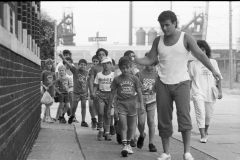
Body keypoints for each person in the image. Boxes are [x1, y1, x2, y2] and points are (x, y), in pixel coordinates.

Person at [132, 10, 222, 160]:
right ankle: (166, 152)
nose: (164, 28)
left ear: (175, 23)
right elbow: (150, 59)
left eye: (167, 25)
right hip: (162, 83)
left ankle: (187, 152)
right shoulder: (158, 41)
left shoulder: (186, 38)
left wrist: (213, 70)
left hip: (182, 83)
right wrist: (136, 60)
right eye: (162, 26)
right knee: (164, 119)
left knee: (184, 117)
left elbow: (200, 54)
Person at [108, 56, 145, 157]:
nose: (125, 70)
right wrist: (109, 107)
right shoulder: (117, 79)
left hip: (132, 104)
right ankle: (124, 146)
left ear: (131, 67)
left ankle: (128, 144)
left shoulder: (135, 79)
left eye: (127, 67)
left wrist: (141, 105)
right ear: (119, 68)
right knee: (123, 125)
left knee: (131, 127)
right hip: (122, 104)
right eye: (123, 68)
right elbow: (112, 94)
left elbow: (139, 92)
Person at [188, 40, 223, 143]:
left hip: (210, 92)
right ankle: (203, 135)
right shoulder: (192, 64)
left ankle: (205, 131)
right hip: (197, 92)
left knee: (208, 115)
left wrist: (220, 91)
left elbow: (219, 78)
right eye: (198, 50)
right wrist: (187, 94)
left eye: (202, 50)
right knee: (200, 113)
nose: (201, 52)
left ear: (206, 50)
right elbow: (189, 80)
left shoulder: (213, 62)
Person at [135, 52, 158, 152]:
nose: (152, 67)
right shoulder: (138, 75)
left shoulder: (157, 75)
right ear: (145, 63)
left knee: (151, 122)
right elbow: (136, 88)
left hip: (152, 100)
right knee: (141, 122)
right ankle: (142, 134)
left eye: (154, 64)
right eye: (150, 64)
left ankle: (151, 143)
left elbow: (158, 89)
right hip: (140, 100)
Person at [58, 52, 89, 126]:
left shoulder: (87, 72)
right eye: (81, 64)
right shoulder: (75, 70)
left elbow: (87, 82)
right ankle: (72, 115)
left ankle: (83, 121)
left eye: (84, 65)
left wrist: (88, 92)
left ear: (86, 66)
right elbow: (68, 64)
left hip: (84, 93)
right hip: (76, 93)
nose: (83, 66)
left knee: (84, 106)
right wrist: (63, 57)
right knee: (74, 107)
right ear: (78, 65)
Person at [89, 48, 115, 129]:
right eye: (99, 55)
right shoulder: (94, 68)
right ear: (97, 56)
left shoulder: (111, 67)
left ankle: (110, 125)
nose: (101, 56)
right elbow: (92, 80)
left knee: (110, 111)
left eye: (103, 54)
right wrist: (92, 91)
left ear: (106, 55)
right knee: (100, 111)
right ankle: (101, 127)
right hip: (99, 92)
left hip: (110, 93)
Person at [92, 57, 115, 141]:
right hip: (101, 95)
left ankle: (107, 132)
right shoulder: (99, 74)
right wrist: (93, 93)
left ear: (111, 64)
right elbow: (95, 85)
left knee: (108, 114)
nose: (106, 65)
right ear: (102, 65)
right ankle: (101, 130)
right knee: (101, 113)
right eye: (104, 63)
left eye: (108, 63)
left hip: (111, 95)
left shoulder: (113, 74)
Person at [40, 58, 56, 123]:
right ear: (46, 65)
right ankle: (47, 117)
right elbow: (40, 82)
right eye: (48, 64)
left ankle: (45, 117)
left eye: (50, 64)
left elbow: (54, 82)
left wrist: (54, 91)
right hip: (45, 90)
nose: (49, 65)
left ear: (52, 65)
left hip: (51, 90)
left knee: (49, 104)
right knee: (47, 104)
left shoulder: (53, 73)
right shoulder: (44, 73)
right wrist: (44, 87)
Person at [88, 55, 99, 128]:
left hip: (100, 90)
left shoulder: (102, 69)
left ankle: (100, 122)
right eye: (94, 61)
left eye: (96, 61)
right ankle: (93, 120)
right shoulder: (91, 70)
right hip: (92, 89)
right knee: (91, 105)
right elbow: (89, 80)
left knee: (99, 107)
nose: (95, 62)